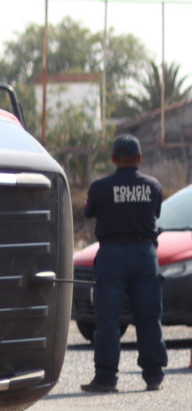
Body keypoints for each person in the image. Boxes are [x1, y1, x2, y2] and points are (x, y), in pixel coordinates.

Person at [81, 134, 167, 393]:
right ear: (139, 158)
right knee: (149, 316)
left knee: (108, 318)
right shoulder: (153, 186)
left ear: (113, 159)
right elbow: (155, 213)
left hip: (112, 256)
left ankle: (106, 378)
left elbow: (90, 212)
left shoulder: (100, 187)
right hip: (145, 256)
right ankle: (153, 375)